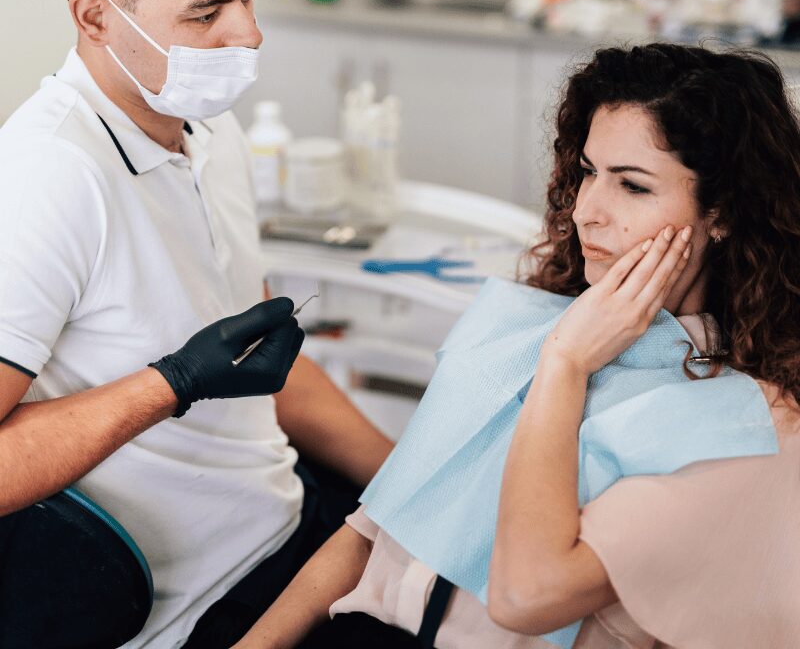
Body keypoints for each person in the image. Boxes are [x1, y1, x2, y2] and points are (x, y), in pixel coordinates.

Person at [231, 43, 800, 649]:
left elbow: (526, 596)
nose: (587, 212)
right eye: (587, 172)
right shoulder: (523, 325)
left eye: (632, 186)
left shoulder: (745, 425)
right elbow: (375, 527)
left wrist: (566, 364)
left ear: (723, 212)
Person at [0, 0, 393, 647]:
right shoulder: (49, 176)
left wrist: (407, 481)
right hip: (198, 604)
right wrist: (170, 384)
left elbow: (260, 363)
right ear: (96, 16)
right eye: (206, 12)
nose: (248, 34)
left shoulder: (210, 127)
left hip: (284, 518)